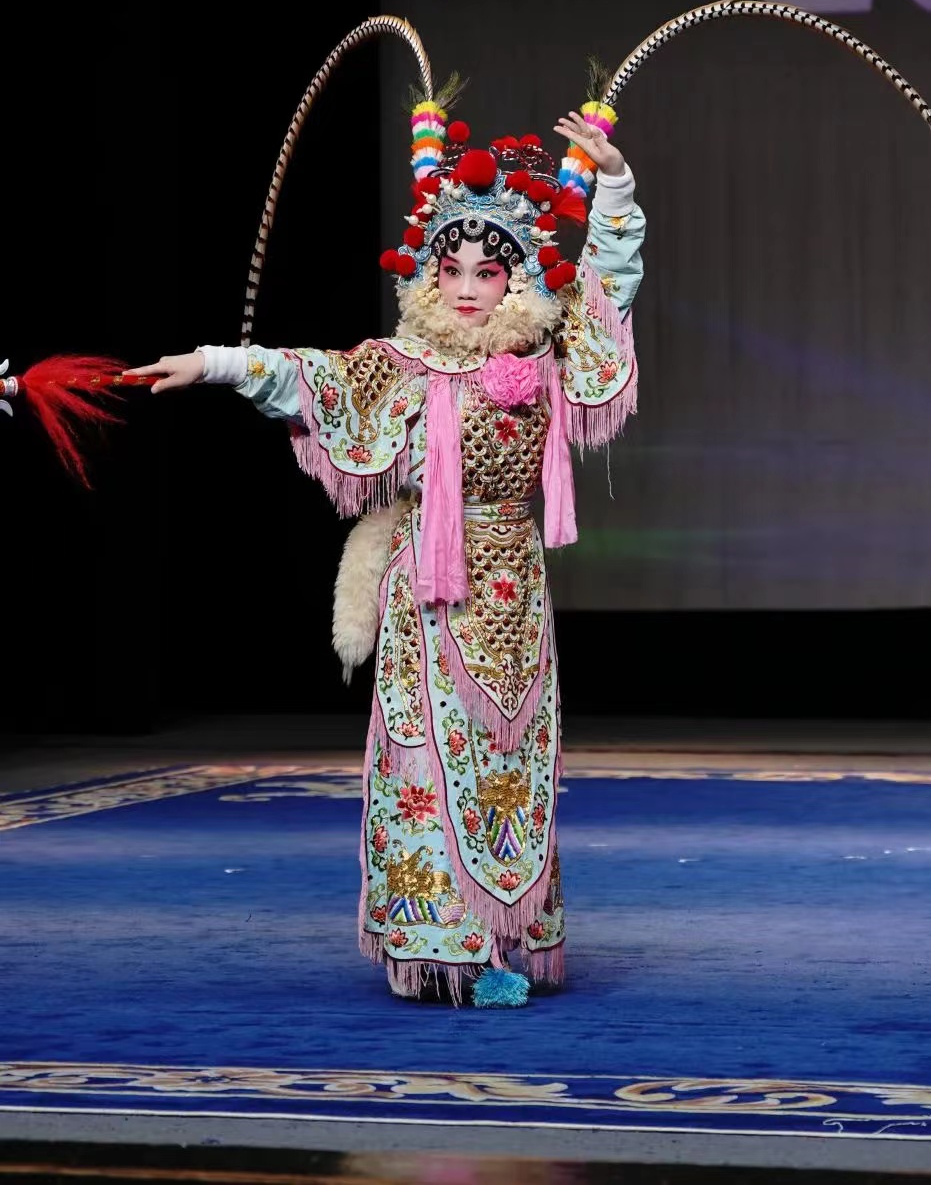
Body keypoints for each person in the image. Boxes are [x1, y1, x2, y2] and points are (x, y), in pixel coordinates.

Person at [128, 103, 644, 1007]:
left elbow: (607, 287)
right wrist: (213, 363)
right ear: (430, 275)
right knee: (425, 755)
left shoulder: (548, 354)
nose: (467, 288)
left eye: (488, 272)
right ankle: (442, 941)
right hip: (427, 587)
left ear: (518, 278)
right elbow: (308, 375)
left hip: (515, 582)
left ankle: (507, 934)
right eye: (452, 270)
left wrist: (614, 184)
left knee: (512, 755)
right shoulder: (401, 364)